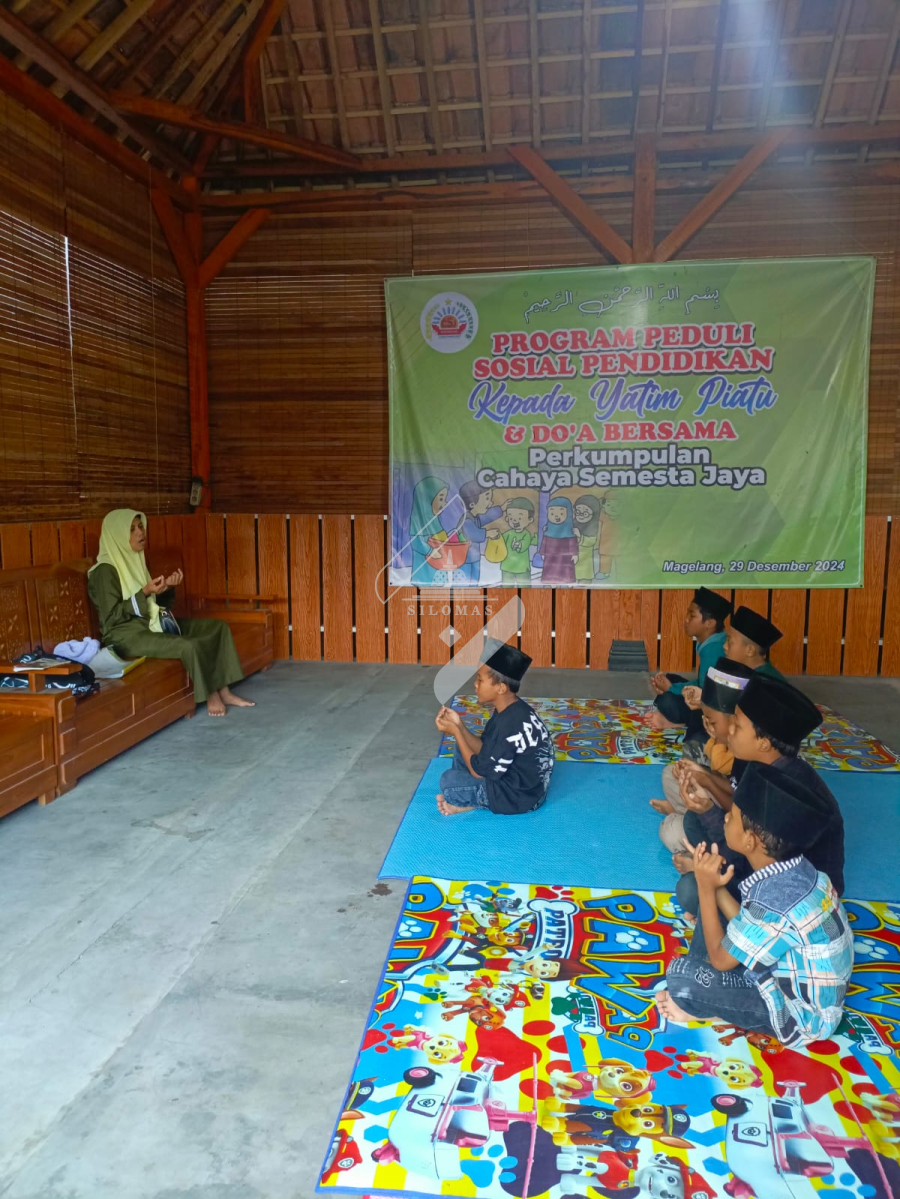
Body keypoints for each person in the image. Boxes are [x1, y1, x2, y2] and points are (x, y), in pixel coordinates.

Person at [657, 762, 853, 1048]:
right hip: (781, 973)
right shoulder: (801, 872)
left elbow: (721, 961)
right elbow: (752, 921)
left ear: (749, 841)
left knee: (681, 977)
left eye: (732, 817)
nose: (725, 818)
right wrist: (714, 884)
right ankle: (708, 996)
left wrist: (705, 886)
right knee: (724, 894)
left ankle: (703, 1006)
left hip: (798, 1016)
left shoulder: (775, 899)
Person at [674, 673, 845, 915]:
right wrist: (706, 806)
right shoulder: (763, 765)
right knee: (693, 819)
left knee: (690, 890)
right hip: (755, 858)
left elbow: (753, 861)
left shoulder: (782, 793)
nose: (729, 730)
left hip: (795, 899)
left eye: (737, 726)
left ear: (763, 743)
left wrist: (703, 872)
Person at [87, 509, 254, 718]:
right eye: (131, 529)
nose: (140, 532)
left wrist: (166, 588)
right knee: (189, 645)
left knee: (218, 627)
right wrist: (144, 592)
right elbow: (111, 618)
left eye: (140, 526)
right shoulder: (104, 571)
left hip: (151, 623)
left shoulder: (134, 559)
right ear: (116, 535)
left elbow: (154, 605)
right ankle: (211, 694)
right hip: (125, 635)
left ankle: (225, 691)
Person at [434, 644, 554, 816]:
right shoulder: (511, 709)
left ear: (501, 688)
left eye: (480, 680)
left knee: (448, 781)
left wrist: (456, 732)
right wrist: (459, 725)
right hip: (525, 786)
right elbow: (485, 748)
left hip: (520, 798)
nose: (475, 684)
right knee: (462, 745)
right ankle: (468, 796)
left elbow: (477, 772)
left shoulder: (510, 724)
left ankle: (468, 799)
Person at [650, 658, 753, 855]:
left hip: (735, 829)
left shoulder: (750, 754)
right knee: (670, 774)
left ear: (735, 722)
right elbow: (734, 785)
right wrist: (703, 775)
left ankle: (683, 816)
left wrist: (708, 784)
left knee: (670, 831)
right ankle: (684, 811)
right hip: (724, 812)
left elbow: (739, 811)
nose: (708, 727)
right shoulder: (739, 743)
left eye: (711, 723)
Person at [649, 587, 732, 735]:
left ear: (710, 623)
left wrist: (671, 689)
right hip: (706, 694)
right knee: (671, 679)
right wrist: (671, 685)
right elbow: (701, 683)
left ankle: (678, 722)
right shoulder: (712, 642)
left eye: (692, 615)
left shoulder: (714, 650)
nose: (686, 620)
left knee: (667, 701)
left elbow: (707, 696)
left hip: (714, 707)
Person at [456, 481, 502, 585]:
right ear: (472, 504)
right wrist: (488, 533)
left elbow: (486, 517)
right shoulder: (466, 519)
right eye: (487, 498)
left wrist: (501, 509)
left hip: (474, 558)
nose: (490, 503)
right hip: (464, 559)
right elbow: (473, 534)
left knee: (474, 581)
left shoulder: (475, 517)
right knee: (463, 583)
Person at [724, 606, 785, 679]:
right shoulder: (748, 674)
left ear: (750, 650)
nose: (725, 646)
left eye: (730, 642)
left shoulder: (765, 682)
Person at [408, 475, 449, 585]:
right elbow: (416, 542)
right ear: (427, 499)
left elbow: (440, 538)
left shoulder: (436, 521)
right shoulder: (417, 521)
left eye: (445, 499)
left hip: (439, 571)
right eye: (441, 498)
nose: (445, 503)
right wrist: (430, 551)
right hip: (424, 573)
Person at [538, 496, 578, 585]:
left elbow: (572, 542)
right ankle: (552, 583)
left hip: (565, 555)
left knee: (566, 568)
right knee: (550, 569)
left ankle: (568, 583)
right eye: (552, 513)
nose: (556, 516)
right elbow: (544, 541)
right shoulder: (548, 530)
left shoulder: (569, 530)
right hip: (550, 555)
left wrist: (574, 554)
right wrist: (542, 552)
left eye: (561, 513)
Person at [499, 498, 536, 587]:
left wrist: (519, 544)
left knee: (525, 588)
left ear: (530, 519)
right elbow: (500, 542)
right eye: (511, 518)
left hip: (522, 568)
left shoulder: (526, 534)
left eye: (519, 518)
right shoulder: (507, 534)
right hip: (507, 567)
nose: (515, 521)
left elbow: (525, 543)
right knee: (506, 588)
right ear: (507, 518)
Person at [572, 495, 602, 582]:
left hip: (585, 557)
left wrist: (580, 537)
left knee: (584, 576)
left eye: (585, 513)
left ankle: (585, 581)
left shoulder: (593, 527)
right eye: (578, 512)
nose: (581, 515)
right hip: (572, 555)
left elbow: (592, 541)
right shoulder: (572, 523)